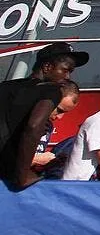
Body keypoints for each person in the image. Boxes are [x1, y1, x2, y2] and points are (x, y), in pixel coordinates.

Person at [0, 41, 87, 189]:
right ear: (47, 67)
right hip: (8, 178)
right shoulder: (52, 90)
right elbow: (33, 126)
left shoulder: (5, 86)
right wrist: (23, 176)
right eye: (65, 70)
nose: (67, 77)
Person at [32, 81, 80, 172]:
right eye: (59, 110)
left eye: (64, 113)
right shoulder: (17, 120)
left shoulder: (48, 126)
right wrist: (36, 159)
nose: (59, 117)